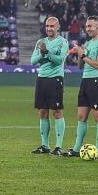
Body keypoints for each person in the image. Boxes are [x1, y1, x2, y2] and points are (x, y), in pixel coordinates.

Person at [66, 16, 98, 157]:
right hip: (85, 81)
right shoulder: (88, 43)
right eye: (87, 26)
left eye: (91, 26)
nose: (88, 28)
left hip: (97, 81)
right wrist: (79, 54)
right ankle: (77, 149)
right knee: (81, 117)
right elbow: (80, 66)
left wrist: (83, 55)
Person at [30, 16, 69, 155]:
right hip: (42, 79)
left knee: (57, 112)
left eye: (52, 26)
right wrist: (42, 54)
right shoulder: (40, 42)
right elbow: (33, 61)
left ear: (58, 27)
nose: (49, 28)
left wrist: (46, 53)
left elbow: (59, 61)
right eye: (47, 26)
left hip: (55, 78)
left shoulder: (63, 42)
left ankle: (58, 147)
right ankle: (45, 146)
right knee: (42, 112)